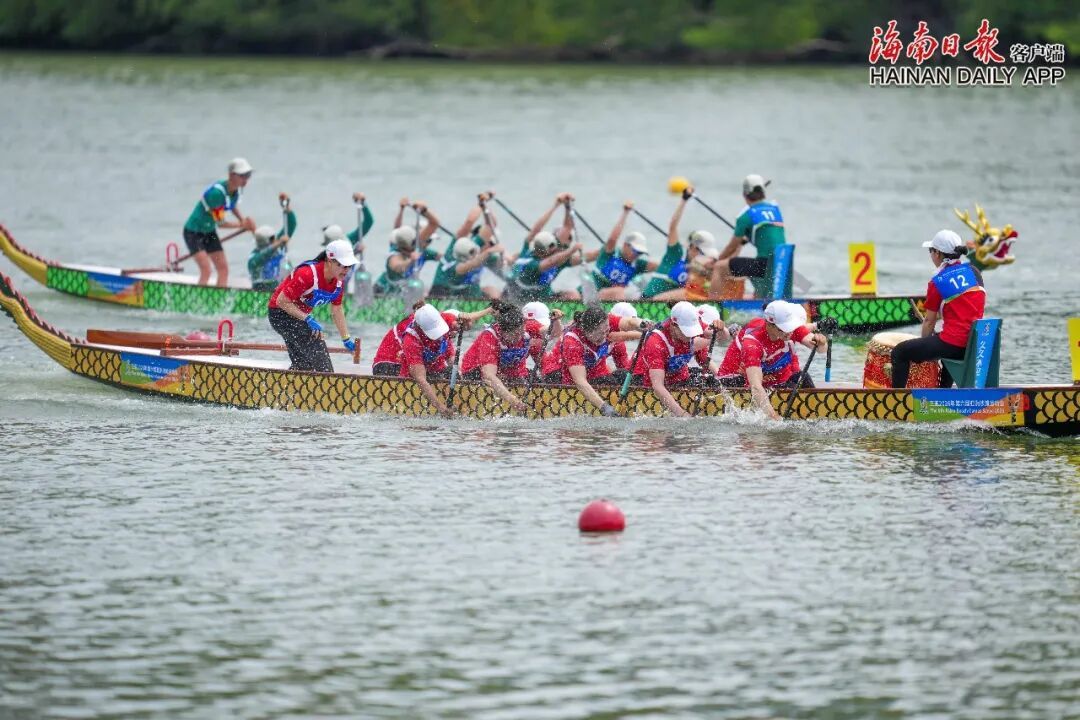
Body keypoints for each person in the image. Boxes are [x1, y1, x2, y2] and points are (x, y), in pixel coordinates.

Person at [891, 230, 986, 388]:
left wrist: (925, 345)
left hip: (954, 345)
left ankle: (897, 402)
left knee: (900, 352)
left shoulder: (937, 281)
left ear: (937, 253)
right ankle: (943, 393)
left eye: (931, 250)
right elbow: (967, 305)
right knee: (941, 344)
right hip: (975, 344)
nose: (930, 255)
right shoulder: (974, 272)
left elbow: (929, 322)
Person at [716, 300, 827, 420]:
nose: (789, 332)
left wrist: (821, 342)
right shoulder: (752, 343)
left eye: (790, 327)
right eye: (784, 328)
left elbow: (821, 349)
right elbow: (756, 387)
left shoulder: (790, 329)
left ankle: (818, 413)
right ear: (769, 325)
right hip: (735, 380)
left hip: (767, 377)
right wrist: (773, 417)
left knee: (802, 377)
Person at [268, 239, 359, 372]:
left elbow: (337, 309)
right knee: (323, 364)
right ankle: (327, 382)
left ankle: (291, 385)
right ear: (329, 261)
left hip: (298, 316)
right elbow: (281, 301)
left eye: (349, 266)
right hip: (280, 314)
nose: (346, 270)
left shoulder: (338, 284)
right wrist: (307, 318)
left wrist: (345, 338)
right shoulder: (307, 274)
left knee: (304, 366)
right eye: (342, 265)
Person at [460, 301, 552, 415]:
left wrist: (555, 321)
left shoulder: (526, 326)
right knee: (499, 379)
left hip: (508, 372)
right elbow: (489, 376)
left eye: (521, 333)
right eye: (514, 335)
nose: (519, 338)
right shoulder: (490, 336)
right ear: (502, 331)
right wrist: (512, 400)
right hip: (475, 372)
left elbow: (555, 332)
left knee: (537, 382)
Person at [632, 301, 721, 417]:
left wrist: (722, 328)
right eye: (686, 332)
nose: (690, 336)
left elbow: (720, 339)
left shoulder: (693, 323)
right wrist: (683, 415)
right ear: (673, 326)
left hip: (679, 379)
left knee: (711, 381)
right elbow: (657, 386)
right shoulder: (655, 342)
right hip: (648, 383)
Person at [183, 158, 257, 287]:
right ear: (231, 175)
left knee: (223, 269)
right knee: (206, 270)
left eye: (248, 175)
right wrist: (242, 225)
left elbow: (232, 206)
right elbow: (221, 223)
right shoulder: (216, 194)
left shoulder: (237, 190)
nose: (246, 179)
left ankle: (219, 304)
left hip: (209, 232)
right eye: (243, 175)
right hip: (193, 233)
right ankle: (198, 303)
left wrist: (242, 219)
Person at [505, 193, 585, 302]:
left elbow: (564, 227)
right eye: (554, 247)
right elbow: (551, 262)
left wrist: (566, 206)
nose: (558, 248)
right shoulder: (531, 263)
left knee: (573, 294)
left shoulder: (539, 248)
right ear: (546, 251)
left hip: (545, 298)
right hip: (521, 300)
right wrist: (571, 250)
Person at [642, 187, 719, 300]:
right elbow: (673, 226)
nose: (704, 257)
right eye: (702, 253)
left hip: (671, 305)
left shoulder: (701, 269)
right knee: (688, 292)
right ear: (692, 248)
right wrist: (684, 200)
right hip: (649, 301)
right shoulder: (675, 254)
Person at [372, 303, 490, 377]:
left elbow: (451, 358)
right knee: (431, 375)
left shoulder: (439, 325)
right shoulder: (422, 328)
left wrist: (459, 373)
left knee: (450, 373)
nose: (456, 331)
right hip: (387, 364)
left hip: (417, 365)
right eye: (456, 326)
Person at [712, 174, 788, 289]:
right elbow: (768, 233)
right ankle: (758, 296)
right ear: (763, 192)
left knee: (719, 267)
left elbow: (732, 247)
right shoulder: (775, 209)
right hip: (782, 263)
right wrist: (746, 239)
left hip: (763, 265)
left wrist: (717, 260)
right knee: (743, 266)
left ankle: (715, 304)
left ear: (744, 195)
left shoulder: (745, 216)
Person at [588, 202, 662, 300]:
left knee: (637, 290)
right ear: (625, 245)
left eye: (640, 253)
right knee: (620, 291)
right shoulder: (610, 253)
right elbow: (612, 239)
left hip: (612, 298)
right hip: (593, 295)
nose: (636, 255)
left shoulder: (638, 265)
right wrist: (625, 213)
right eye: (635, 251)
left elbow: (663, 267)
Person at [400, 304, 458, 417]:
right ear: (419, 326)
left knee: (453, 373)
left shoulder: (442, 323)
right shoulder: (411, 340)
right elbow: (420, 378)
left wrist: (457, 371)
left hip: (437, 371)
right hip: (413, 381)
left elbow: (450, 355)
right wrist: (440, 407)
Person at [375, 201, 441, 296]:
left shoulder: (416, 242)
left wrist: (425, 211)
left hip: (404, 293)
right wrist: (410, 261)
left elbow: (434, 224)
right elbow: (398, 267)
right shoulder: (394, 255)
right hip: (383, 292)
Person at [247, 193, 296, 291]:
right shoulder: (254, 257)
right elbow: (259, 258)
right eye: (273, 238)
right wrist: (278, 244)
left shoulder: (278, 245)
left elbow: (291, 225)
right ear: (267, 241)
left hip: (280, 288)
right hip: (262, 289)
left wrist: (287, 207)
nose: (276, 239)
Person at [431, 234, 504, 299]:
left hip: (476, 295)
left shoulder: (485, 257)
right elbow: (471, 265)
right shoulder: (459, 261)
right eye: (490, 243)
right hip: (459, 298)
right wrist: (489, 251)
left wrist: (502, 255)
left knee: (492, 290)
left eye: (492, 245)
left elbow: (501, 265)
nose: (489, 246)